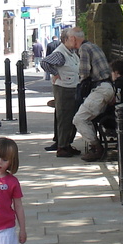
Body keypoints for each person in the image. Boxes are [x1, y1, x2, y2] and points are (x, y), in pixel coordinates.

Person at [66, 29, 115, 162]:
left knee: (79, 119)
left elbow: (84, 72)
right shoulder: (93, 46)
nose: (68, 41)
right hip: (106, 87)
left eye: (69, 38)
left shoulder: (84, 49)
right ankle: (96, 145)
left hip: (100, 89)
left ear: (74, 39)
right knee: (87, 116)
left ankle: (96, 148)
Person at [39, 28, 80, 157]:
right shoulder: (60, 53)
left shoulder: (71, 52)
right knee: (65, 118)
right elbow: (44, 62)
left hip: (71, 87)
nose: (74, 40)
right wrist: (56, 73)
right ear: (65, 40)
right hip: (64, 88)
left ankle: (66, 144)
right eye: (72, 38)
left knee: (70, 118)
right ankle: (62, 147)